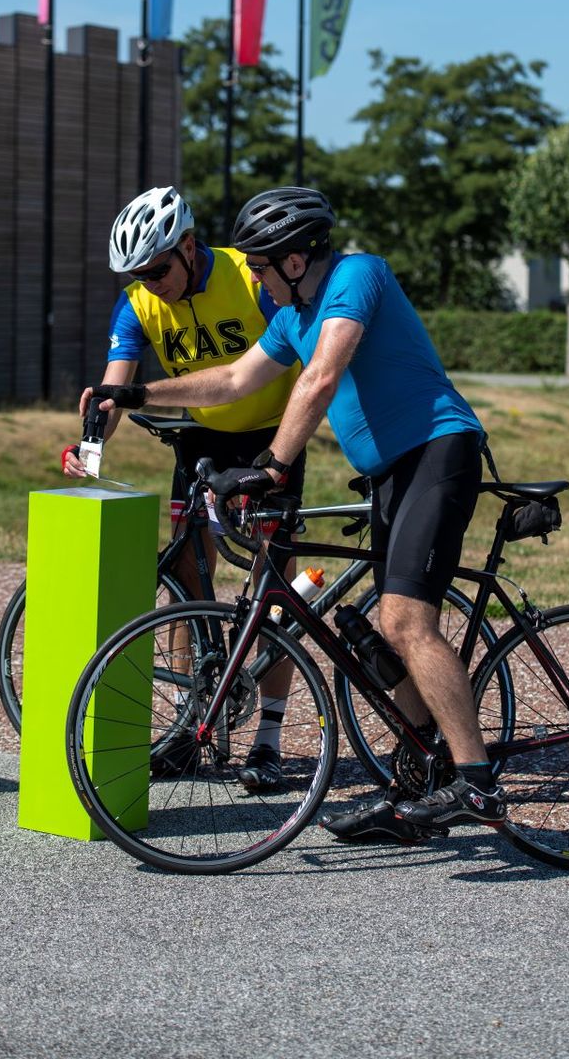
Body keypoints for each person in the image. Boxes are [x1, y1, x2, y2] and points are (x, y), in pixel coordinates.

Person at [85, 185, 506, 844]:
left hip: (437, 451)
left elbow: (321, 379)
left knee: (405, 622)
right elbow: (229, 381)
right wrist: (136, 389)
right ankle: (414, 782)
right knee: (376, 631)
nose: (249, 274)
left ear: (292, 259)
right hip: (390, 472)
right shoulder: (289, 317)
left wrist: (275, 464)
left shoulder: (355, 276)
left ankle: (476, 783)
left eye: (257, 263)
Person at [63, 184, 304, 793]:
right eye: (138, 274)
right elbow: (116, 391)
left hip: (271, 438)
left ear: (189, 247)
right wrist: (90, 447)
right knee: (187, 578)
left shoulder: (250, 279)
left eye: (159, 269)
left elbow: (304, 358)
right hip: (202, 440)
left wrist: (285, 453)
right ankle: (190, 728)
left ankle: (268, 741)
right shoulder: (136, 304)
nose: (152, 282)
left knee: (271, 581)